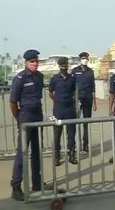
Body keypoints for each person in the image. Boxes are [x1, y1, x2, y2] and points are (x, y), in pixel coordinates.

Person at [10, 49, 45, 201]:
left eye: (36, 61)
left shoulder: (40, 77)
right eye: (32, 61)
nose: (35, 64)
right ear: (26, 63)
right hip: (25, 115)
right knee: (22, 152)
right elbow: (13, 102)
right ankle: (16, 186)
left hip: (37, 114)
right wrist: (18, 117)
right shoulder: (20, 78)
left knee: (36, 150)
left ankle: (37, 183)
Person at [49, 57, 77, 166]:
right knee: (57, 134)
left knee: (71, 134)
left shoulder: (72, 79)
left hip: (70, 110)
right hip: (58, 110)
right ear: (59, 67)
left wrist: (73, 99)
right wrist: (56, 100)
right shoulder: (54, 79)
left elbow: (74, 91)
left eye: (66, 66)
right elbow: (50, 92)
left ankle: (71, 155)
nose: (64, 68)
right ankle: (56, 156)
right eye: (62, 66)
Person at [72, 52, 97, 154]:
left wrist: (95, 102)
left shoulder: (90, 72)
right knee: (74, 122)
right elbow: (71, 85)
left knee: (86, 123)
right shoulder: (75, 71)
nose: (85, 60)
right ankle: (73, 145)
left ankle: (85, 145)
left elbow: (93, 88)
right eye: (83, 58)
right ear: (80, 59)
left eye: (86, 58)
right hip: (77, 99)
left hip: (87, 98)